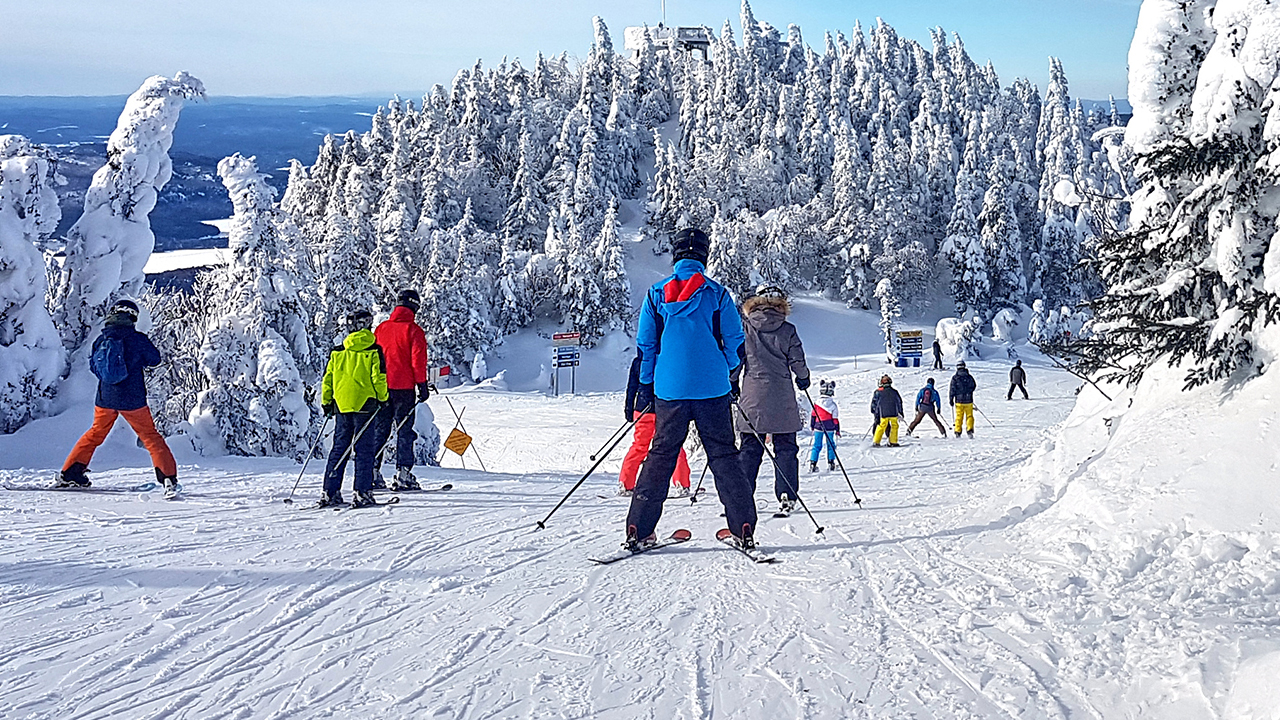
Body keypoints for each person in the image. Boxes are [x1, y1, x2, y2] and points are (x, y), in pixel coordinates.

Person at [626, 227, 757, 550]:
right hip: (712, 389)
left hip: (669, 390)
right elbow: (737, 343)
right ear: (704, 255)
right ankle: (742, 528)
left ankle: (638, 529)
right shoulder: (717, 294)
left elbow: (646, 346)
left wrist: (646, 386)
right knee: (724, 455)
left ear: (676, 256)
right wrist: (722, 369)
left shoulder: (656, 295)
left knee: (660, 456)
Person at [60, 299, 179, 493]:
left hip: (105, 399)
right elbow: (155, 359)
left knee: (94, 434)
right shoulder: (138, 339)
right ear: (132, 317)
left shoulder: (101, 339)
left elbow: (94, 367)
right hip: (133, 400)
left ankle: (70, 473)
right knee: (150, 436)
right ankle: (168, 478)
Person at [732, 285, 811, 515]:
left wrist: (732, 382)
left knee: (749, 448)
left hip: (752, 396)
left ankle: (743, 496)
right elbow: (798, 360)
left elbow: (736, 360)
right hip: (781, 395)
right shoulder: (787, 330)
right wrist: (803, 378)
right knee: (785, 447)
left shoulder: (745, 328)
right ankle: (786, 494)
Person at [319, 309, 389, 508]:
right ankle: (362, 491)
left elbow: (328, 378)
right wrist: (383, 399)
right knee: (364, 449)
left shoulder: (338, 351)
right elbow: (379, 378)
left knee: (339, 447)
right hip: (366, 403)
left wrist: (327, 401)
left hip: (342, 403)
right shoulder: (373, 350)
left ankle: (330, 491)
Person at [373, 289, 431, 491]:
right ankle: (403, 474)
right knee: (404, 431)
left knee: (381, 430)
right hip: (404, 389)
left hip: (381, 389)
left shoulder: (381, 329)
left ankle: (372, 471)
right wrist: (422, 385)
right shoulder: (414, 330)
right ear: (414, 306)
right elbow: (418, 360)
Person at [618, 349, 692, 496]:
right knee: (674, 445)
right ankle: (682, 483)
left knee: (640, 445)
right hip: (665, 408)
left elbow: (632, 387)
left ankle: (625, 484)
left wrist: (629, 409)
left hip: (643, 408)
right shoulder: (669, 359)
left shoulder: (639, 361)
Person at [809, 379, 840, 472]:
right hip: (829, 427)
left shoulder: (816, 403)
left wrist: (812, 425)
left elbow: (813, 415)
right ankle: (831, 463)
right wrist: (837, 429)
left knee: (817, 445)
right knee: (831, 445)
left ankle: (813, 463)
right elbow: (835, 419)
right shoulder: (833, 405)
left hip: (818, 426)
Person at [870, 375, 904, 447]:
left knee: (881, 426)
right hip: (894, 413)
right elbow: (899, 402)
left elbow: (874, 403)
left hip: (883, 413)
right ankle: (893, 441)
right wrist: (900, 412)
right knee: (895, 426)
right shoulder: (894, 392)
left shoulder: (878, 392)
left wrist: (874, 412)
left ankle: (876, 441)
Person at [950, 360, 977, 438]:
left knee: (959, 416)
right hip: (968, 400)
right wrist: (969, 391)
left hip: (959, 401)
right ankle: (969, 430)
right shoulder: (969, 377)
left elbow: (952, 389)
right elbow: (974, 385)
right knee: (969, 416)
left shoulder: (955, 378)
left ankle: (958, 431)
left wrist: (951, 399)